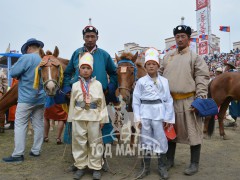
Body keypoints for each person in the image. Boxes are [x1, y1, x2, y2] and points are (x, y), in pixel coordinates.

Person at [63, 23, 118, 172]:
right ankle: (78, 162)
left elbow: (114, 73)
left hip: (98, 98)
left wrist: (111, 87)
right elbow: (67, 73)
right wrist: (68, 87)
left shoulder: (104, 55)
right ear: (83, 37)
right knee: (78, 133)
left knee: (100, 130)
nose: (90, 39)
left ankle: (100, 161)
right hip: (79, 97)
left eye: (93, 36)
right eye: (87, 36)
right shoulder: (76, 53)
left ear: (97, 37)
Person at [160, 25, 209, 175]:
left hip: (189, 100)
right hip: (169, 101)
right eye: (178, 36)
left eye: (183, 36)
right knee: (170, 131)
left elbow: (201, 77)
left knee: (193, 132)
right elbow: (159, 76)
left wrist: (200, 98)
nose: (180, 39)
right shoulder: (168, 57)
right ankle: (169, 160)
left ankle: (194, 163)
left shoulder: (195, 57)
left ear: (188, 38)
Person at [133, 48, 175, 179]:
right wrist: (137, 117)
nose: (151, 66)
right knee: (145, 140)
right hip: (145, 113)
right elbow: (136, 101)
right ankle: (145, 168)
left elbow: (168, 100)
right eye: (148, 64)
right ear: (145, 66)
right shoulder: (141, 82)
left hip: (159, 113)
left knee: (160, 139)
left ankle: (161, 166)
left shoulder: (164, 81)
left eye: (154, 64)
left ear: (158, 66)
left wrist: (168, 117)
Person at [2, 38, 45, 162]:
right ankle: (36, 150)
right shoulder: (44, 59)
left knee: (20, 124)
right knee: (38, 124)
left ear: (28, 48)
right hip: (41, 98)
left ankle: (18, 154)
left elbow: (13, 72)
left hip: (26, 98)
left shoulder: (26, 58)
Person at [68, 52, 108, 180]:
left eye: (88, 68)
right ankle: (80, 166)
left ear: (92, 70)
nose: (85, 71)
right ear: (79, 70)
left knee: (95, 142)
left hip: (94, 117)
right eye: (83, 68)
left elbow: (102, 102)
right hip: (78, 117)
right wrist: (71, 118)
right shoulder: (75, 85)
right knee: (79, 141)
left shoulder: (98, 84)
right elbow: (72, 103)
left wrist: (103, 118)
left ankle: (96, 167)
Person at [224, 61, 240, 127]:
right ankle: (233, 122)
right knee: (235, 107)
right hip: (236, 91)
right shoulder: (236, 72)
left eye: (227, 66)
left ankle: (233, 122)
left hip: (233, 91)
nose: (226, 67)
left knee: (233, 107)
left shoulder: (229, 73)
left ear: (229, 66)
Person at [0, 68, 8, 133]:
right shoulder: (2, 74)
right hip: (0, 93)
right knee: (1, 110)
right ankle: (1, 127)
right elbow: (5, 85)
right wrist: (4, 94)